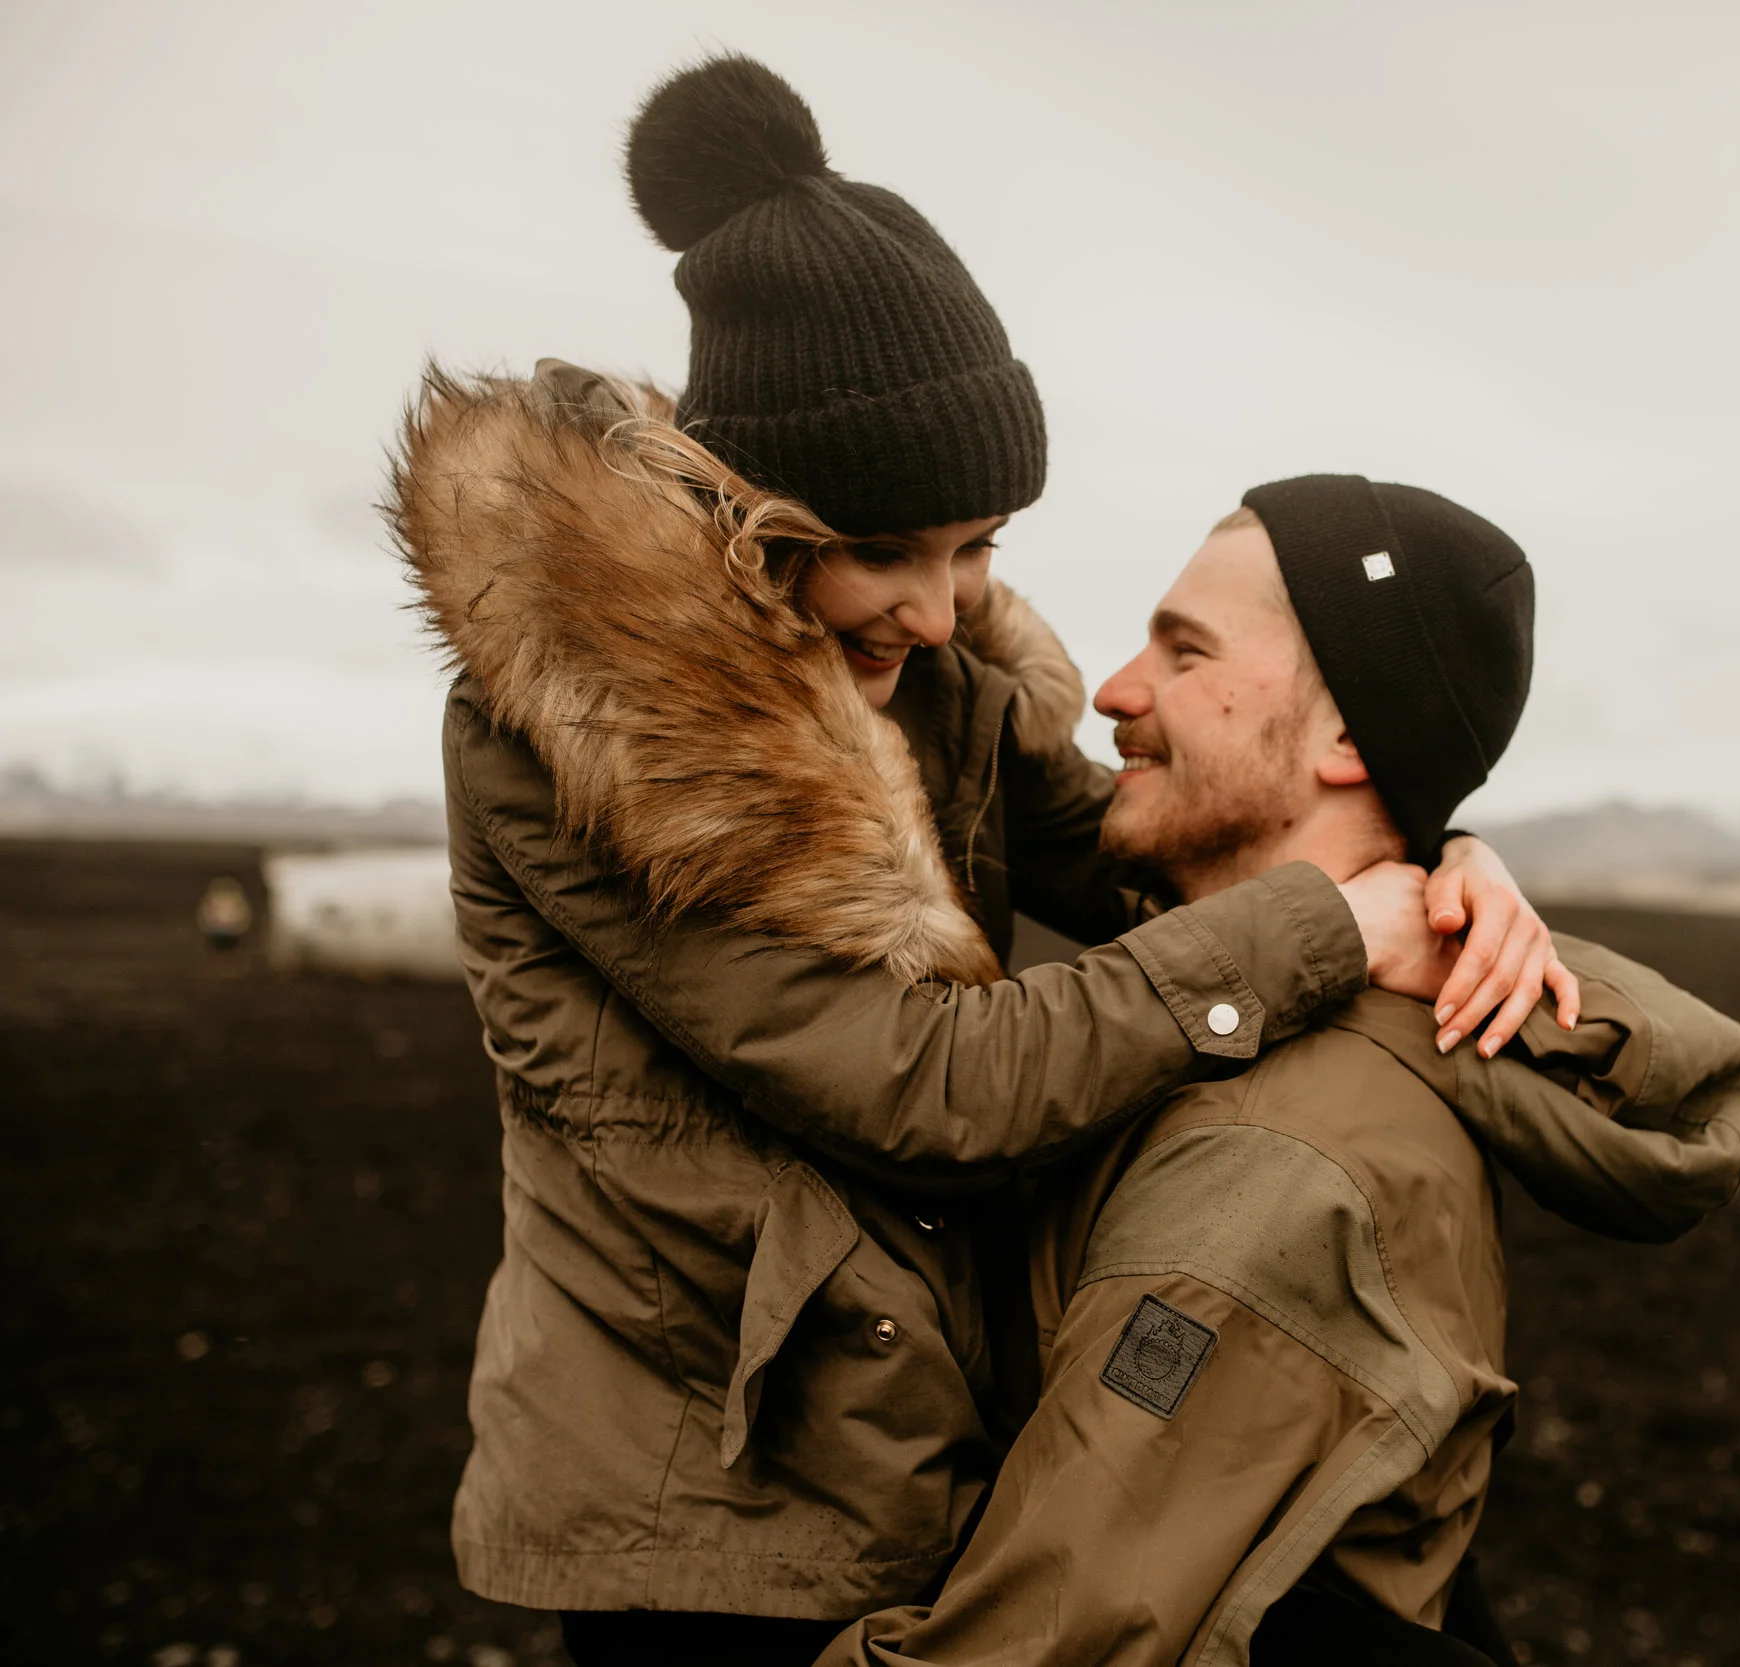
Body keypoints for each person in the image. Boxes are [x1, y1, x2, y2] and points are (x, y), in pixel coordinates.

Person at [386, 55, 1569, 1667]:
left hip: (918, 1449)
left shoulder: (920, 674)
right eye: (887, 551)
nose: (942, 613)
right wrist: (1328, 921)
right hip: (709, 1511)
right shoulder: (588, 731)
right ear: (754, 516)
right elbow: (932, 1085)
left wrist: (1439, 862)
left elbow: (1131, 856)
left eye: (979, 548)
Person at [816, 480, 1740, 1667]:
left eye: (1186, 650)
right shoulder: (1264, 1011)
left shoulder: (1264, 1174)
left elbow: (1041, 1643)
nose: (1116, 689)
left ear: (1348, 740)